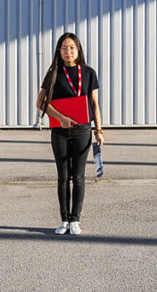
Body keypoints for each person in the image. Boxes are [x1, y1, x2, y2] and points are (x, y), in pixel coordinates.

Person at [35, 32, 105, 235]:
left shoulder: (89, 72)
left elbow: (94, 103)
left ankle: (76, 219)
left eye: (72, 47)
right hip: (60, 131)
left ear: (78, 49)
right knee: (63, 176)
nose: (68, 51)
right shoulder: (53, 74)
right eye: (64, 48)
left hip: (82, 130)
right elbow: (40, 103)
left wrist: (98, 129)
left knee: (80, 176)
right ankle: (64, 219)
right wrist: (62, 118)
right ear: (59, 50)